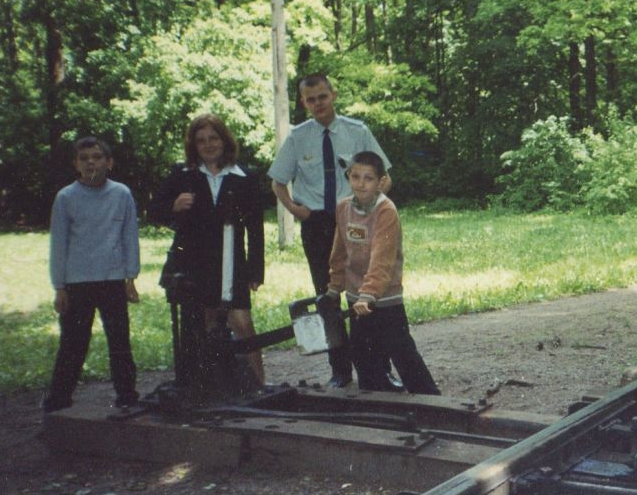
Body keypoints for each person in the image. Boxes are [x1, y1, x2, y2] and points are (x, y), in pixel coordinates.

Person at [268, 73, 395, 389]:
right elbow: (277, 181)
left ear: (333, 95)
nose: (317, 104)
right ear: (303, 102)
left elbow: (386, 177)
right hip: (318, 225)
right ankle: (340, 370)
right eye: (310, 100)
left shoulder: (357, 132)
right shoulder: (298, 137)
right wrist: (296, 210)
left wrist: (369, 208)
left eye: (322, 97)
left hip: (355, 220)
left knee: (365, 292)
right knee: (328, 296)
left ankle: (377, 369)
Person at [149, 114, 265, 384]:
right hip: (194, 263)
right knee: (206, 326)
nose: (208, 144)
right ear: (194, 145)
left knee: (243, 325)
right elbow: (154, 212)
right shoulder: (182, 175)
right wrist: (173, 206)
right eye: (201, 140)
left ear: (224, 140)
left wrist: (255, 271)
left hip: (231, 263)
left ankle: (260, 384)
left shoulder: (244, 177)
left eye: (213, 138)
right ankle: (214, 385)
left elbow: (256, 229)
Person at [324, 151, 439, 395]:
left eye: (368, 178)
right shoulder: (343, 208)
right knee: (362, 354)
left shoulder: (386, 211)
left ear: (380, 182)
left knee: (401, 352)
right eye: (355, 177)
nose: (361, 184)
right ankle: (376, 397)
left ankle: (430, 400)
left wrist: (369, 294)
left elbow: (382, 258)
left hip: (385, 297)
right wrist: (335, 286)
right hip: (357, 297)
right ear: (349, 177)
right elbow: (340, 250)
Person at [44, 136, 141, 412]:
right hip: (77, 282)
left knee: (120, 341)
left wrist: (130, 277)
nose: (91, 163)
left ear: (109, 163)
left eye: (97, 157)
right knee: (73, 343)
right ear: (76, 164)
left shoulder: (121, 194)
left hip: (112, 280)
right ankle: (59, 400)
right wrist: (59, 286)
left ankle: (127, 396)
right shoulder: (66, 197)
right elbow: (58, 244)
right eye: (84, 158)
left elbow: (129, 236)